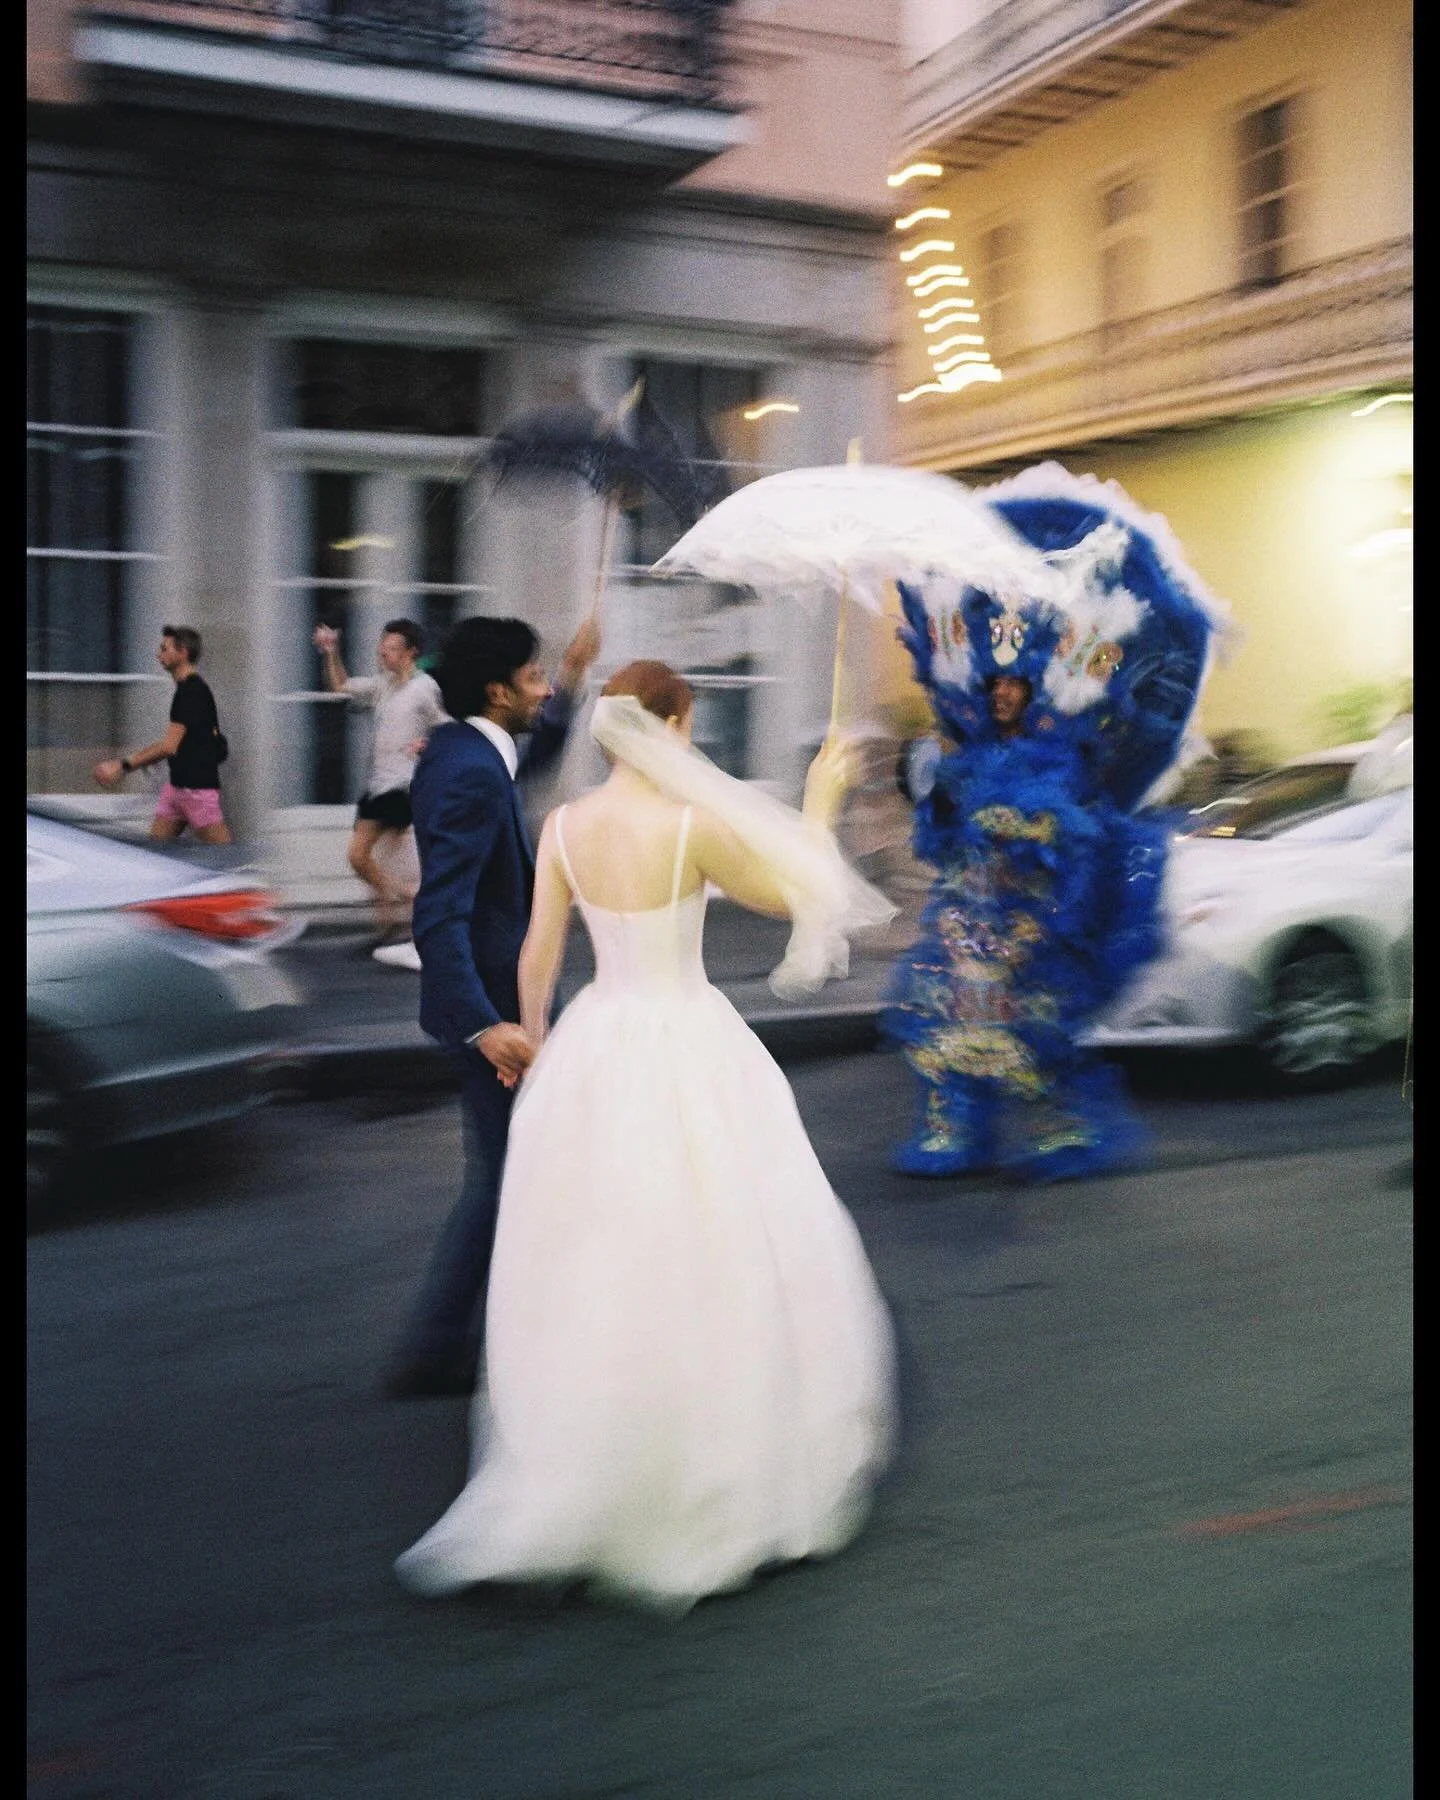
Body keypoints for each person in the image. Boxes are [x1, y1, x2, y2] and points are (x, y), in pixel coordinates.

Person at [394, 661, 896, 1612]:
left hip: (595, 1039)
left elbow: (540, 947)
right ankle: (710, 1448)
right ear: (675, 721)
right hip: (688, 1036)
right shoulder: (693, 827)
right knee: (717, 1245)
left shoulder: (565, 827)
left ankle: (593, 1449)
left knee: (598, 1255)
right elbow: (802, 895)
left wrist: (530, 1045)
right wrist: (822, 798)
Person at [386, 612, 601, 1398]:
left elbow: (532, 757)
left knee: (517, 1169)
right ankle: (442, 1347)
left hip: (503, 997)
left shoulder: (468, 748)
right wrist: (485, 1027)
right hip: (495, 1008)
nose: (543, 687)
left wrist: (574, 676)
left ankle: (459, 1342)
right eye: (536, 677)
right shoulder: (471, 769)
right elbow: (437, 913)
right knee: (508, 1174)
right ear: (497, 689)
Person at [312, 617, 448, 963]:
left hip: (401, 786)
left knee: (358, 856)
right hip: (377, 784)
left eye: (388, 648)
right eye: (381, 647)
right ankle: (389, 933)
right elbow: (340, 686)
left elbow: (446, 729)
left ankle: (408, 896)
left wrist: (427, 744)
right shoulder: (383, 685)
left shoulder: (425, 688)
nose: (381, 653)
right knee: (387, 859)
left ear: (410, 652)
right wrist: (331, 652)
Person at [94, 625, 231, 844]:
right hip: (176, 790)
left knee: (227, 856)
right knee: (153, 853)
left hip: (197, 792)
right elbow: (207, 740)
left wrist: (123, 766)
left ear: (183, 652)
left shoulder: (191, 692)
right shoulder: (190, 690)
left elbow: (169, 746)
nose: (159, 654)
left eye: (164, 649)